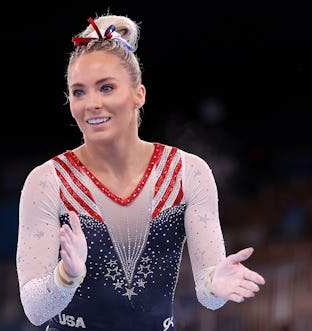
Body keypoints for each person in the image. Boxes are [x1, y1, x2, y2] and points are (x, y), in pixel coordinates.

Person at [16, 13, 266, 331]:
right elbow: (35, 311)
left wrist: (216, 285)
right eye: (79, 92)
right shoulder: (48, 182)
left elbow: (208, 293)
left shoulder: (187, 174)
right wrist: (66, 276)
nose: (91, 103)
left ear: (139, 94)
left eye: (105, 88)